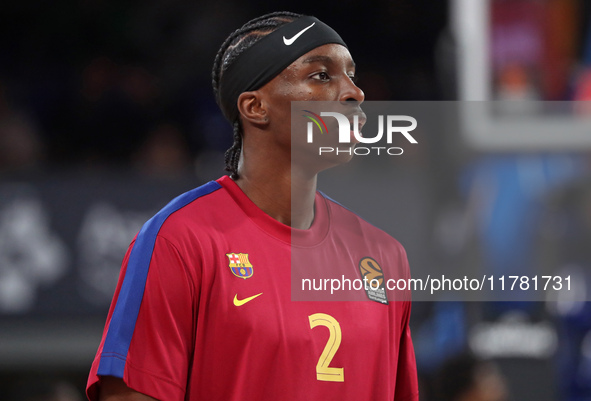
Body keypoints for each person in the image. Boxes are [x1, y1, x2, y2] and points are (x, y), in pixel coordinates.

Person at [86, 11, 418, 401]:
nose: (354, 93)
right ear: (255, 107)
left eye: (351, 76)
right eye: (322, 75)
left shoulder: (385, 257)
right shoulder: (180, 240)